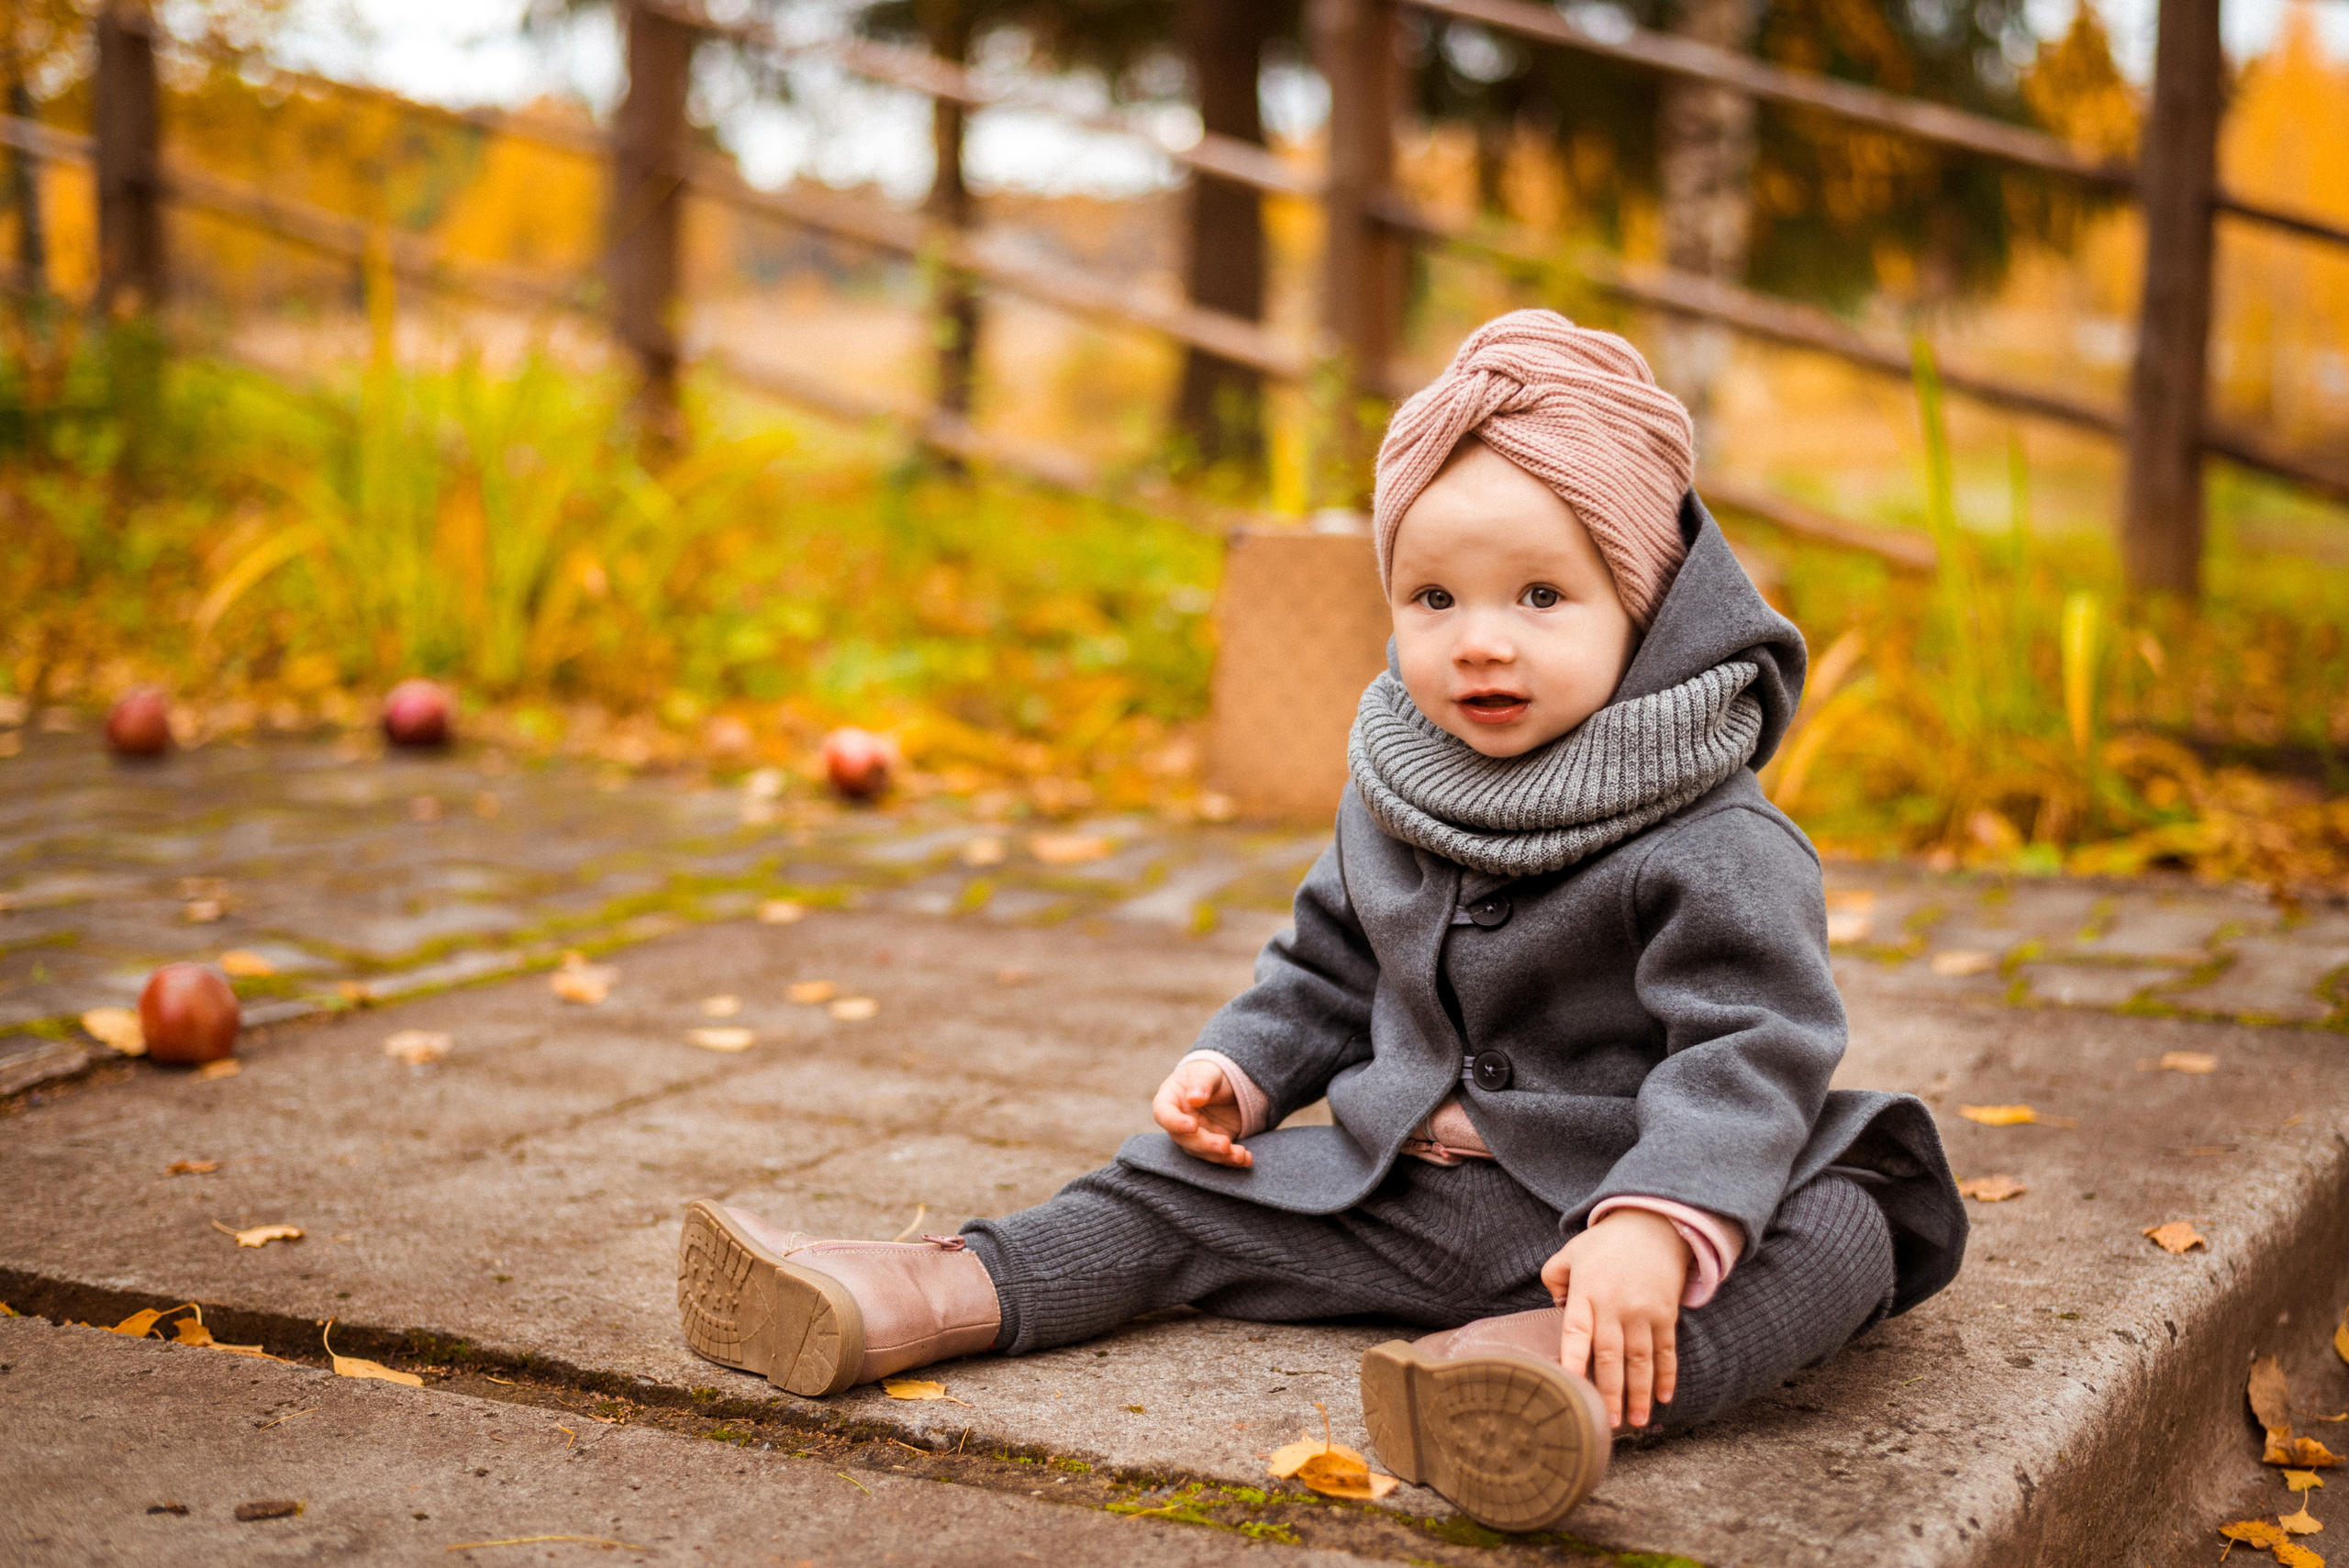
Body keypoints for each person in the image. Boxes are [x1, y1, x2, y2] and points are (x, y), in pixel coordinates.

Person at [674, 308, 1966, 1533]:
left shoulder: (1715, 833)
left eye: (1541, 596)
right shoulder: (1401, 781)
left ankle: (1538, 1378)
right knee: (1164, 1192)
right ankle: (916, 1289)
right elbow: (1328, 961)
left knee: (1850, 1212)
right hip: (1395, 1189)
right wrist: (1242, 1068)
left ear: (1650, 608)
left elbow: (1754, 1042)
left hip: (1609, 1222)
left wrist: (1658, 1218)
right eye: (1434, 600)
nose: (1480, 644)